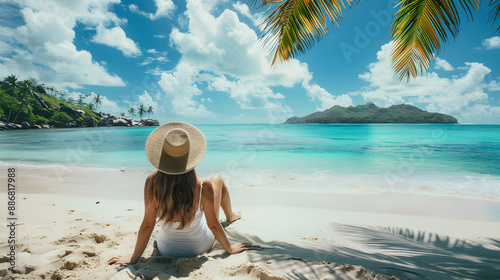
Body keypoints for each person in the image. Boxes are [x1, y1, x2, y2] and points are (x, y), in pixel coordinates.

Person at [108, 122, 251, 266]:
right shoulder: (202, 186)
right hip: (200, 247)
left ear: (162, 155)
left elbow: (148, 225)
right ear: (191, 157)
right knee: (217, 179)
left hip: (166, 249)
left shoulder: (152, 183)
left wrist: (134, 259)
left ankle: (230, 215)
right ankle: (230, 216)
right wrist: (229, 248)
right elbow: (213, 225)